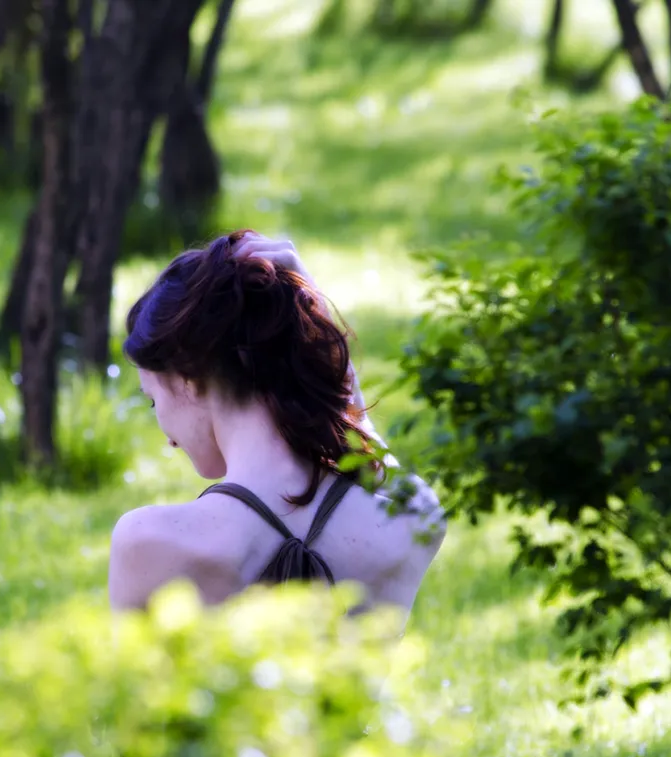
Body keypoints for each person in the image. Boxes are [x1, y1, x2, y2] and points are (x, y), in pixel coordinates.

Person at [107, 230, 446, 621]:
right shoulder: (410, 525)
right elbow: (393, 477)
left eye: (154, 399)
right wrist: (319, 323)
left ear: (189, 378)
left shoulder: (148, 543)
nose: (167, 438)